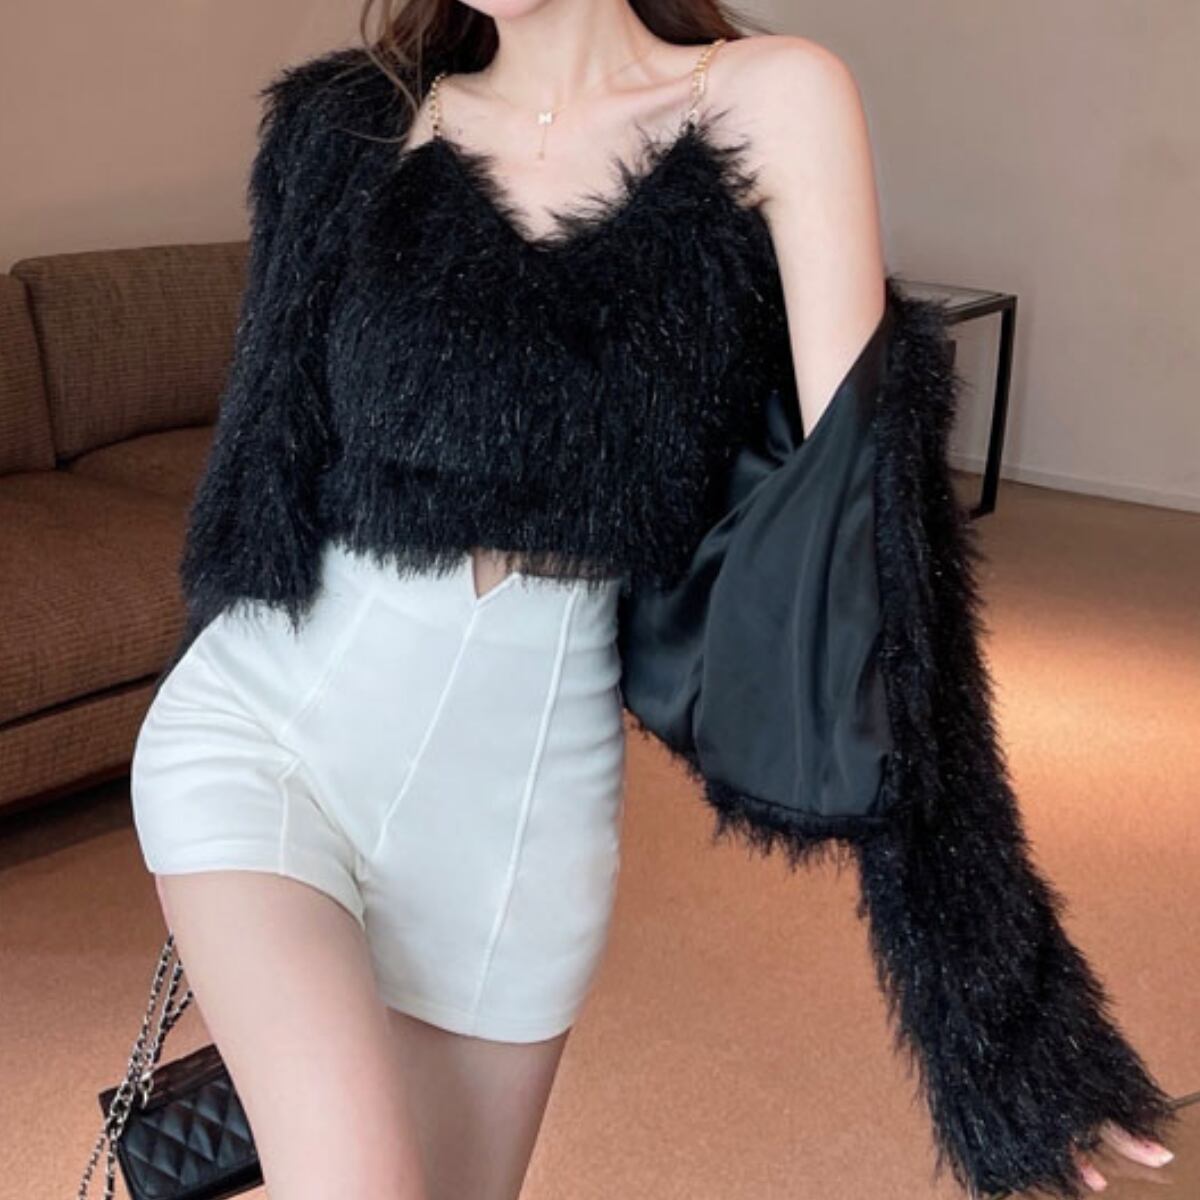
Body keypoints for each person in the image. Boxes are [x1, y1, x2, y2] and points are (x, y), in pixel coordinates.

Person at [129, 5, 1176, 1200]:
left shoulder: (773, 101)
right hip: (271, 738)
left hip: (527, 818)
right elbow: (253, 494)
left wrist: (1007, 1028)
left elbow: (882, 558)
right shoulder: (346, 123)